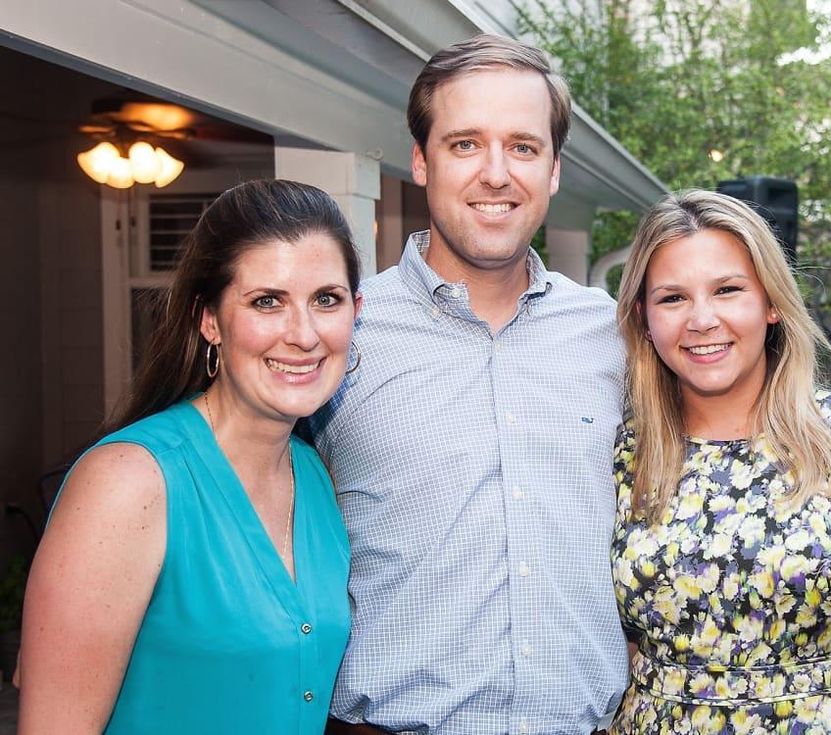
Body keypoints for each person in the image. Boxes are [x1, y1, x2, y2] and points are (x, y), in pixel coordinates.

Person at [309, 34, 628, 734]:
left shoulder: (612, 336)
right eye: (465, 144)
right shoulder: (339, 334)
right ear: (421, 161)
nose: (496, 174)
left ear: (553, 170)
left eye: (523, 146)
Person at [610, 189, 831, 734]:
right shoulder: (625, 453)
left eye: (728, 290)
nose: (702, 319)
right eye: (673, 298)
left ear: (771, 303)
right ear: (644, 318)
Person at [18, 179, 362, 734]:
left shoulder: (315, 476)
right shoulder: (128, 483)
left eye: (326, 299)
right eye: (267, 301)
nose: (303, 334)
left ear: (355, 311)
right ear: (210, 320)